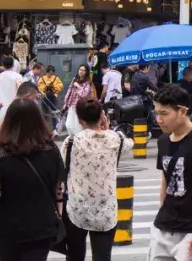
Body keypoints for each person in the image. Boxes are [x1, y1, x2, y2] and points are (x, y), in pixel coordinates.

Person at [0, 99, 66, 261]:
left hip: (7, 229)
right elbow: (59, 189)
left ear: (9, 122)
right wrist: (58, 214)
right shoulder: (51, 150)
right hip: (42, 226)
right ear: (38, 121)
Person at [150, 84, 192, 261]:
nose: (159, 119)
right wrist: (162, 212)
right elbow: (164, 180)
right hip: (163, 227)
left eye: (164, 114)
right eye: (156, 113)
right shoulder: (163, 140)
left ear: (182, 111)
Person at [61, 98, 133, 261]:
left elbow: (63, 165)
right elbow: (129, 144)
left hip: (77, 209)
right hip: (105, 211)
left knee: (74, 256)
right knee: (102, 257)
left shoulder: (71, 142)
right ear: (102, 115)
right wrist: (108, 129)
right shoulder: (116, 139)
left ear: (79, 120)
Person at [0, 56, 23, 132]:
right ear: (13, 65)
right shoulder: (18, 76)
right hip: (14, 104)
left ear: (3, 65)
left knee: (0, 127)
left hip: (1, 104)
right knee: (14, 127)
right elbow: (20, 87)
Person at [61, 65, 94, 134]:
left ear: (86, 72)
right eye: (80, 69)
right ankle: (72, 139)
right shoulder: (75, 79)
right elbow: (69, 91)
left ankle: (77, 140)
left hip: (80, 107)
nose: (81, 72)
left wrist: (78, 86)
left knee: (78, 126)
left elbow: (84, 95)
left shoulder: (87, 83)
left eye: (83, 70)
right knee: (68, 125)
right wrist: (66, 103)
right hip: (72, 106)